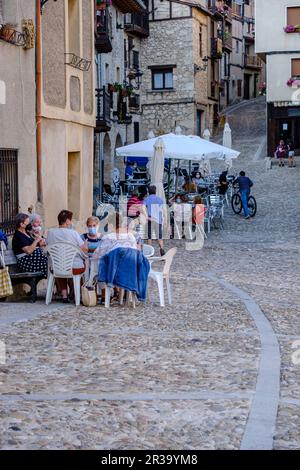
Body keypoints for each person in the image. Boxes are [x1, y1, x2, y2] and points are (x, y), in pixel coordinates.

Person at [46, 210, 88, 303]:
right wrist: (85, 244)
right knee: (81, 265)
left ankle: (64, 296)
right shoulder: (73, 233)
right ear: (67, 221)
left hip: (56, 267)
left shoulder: (50, 233)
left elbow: (47, 247)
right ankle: (76, 294)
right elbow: (84, 250)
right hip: (74, 267)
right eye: (70, 219)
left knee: (61, 265)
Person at [12, 213, 48, 278]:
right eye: (27, 223)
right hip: (27, 262)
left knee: (53, 261)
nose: (30, 224)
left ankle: (59, 282)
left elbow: (40, 244)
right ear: (21, 224)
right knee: (50, 263)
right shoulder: (18, 236)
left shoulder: (27, 233)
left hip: (35, 260)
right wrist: (36, 240)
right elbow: (28, 251)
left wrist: (39, 236)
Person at [143, 185, 165, 256]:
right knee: (159, 236)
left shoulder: (147, 199)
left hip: (150, 220)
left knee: (149, 237)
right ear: (155, 191)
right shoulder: (160, 199)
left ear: (148, 192)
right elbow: (164, 210)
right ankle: (161, 249)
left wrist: (146, 217)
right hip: (158, 220)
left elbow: (143, 208)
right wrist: (166, 220)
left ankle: (150, 253)